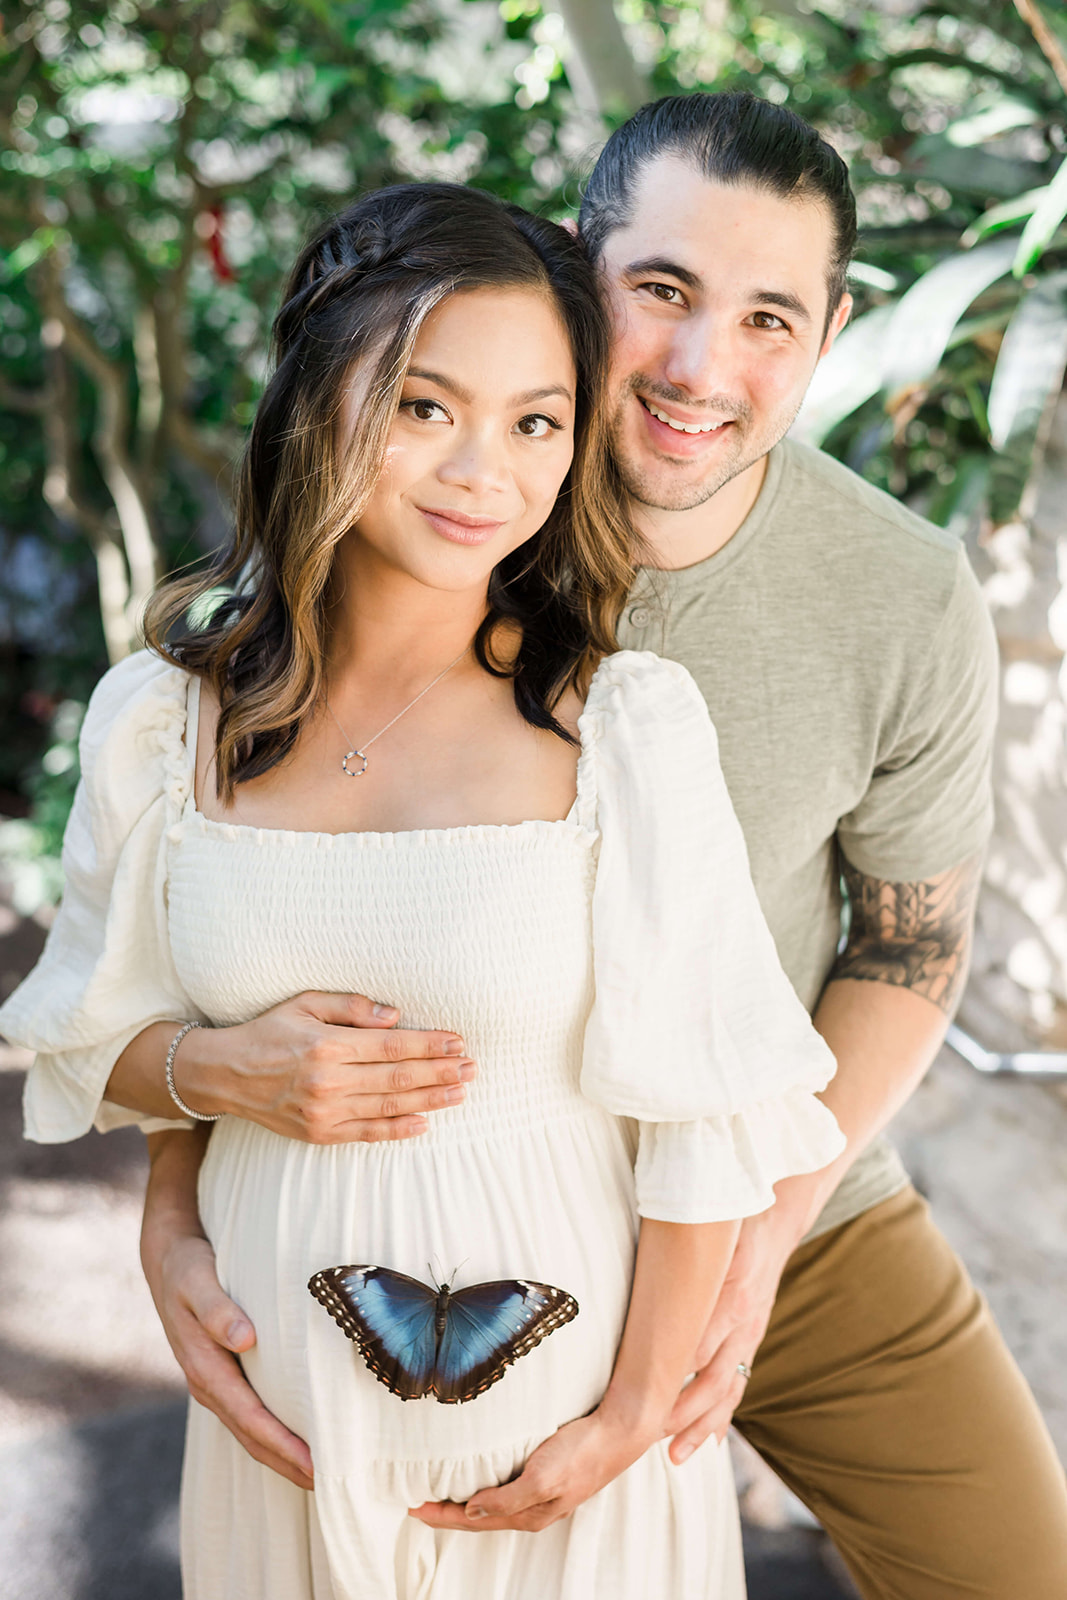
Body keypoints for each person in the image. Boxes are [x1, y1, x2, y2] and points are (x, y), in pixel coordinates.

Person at [121, 91, 1067, 1597]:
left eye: (769, 318)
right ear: (579, 271)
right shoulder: (439, 522)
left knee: (1014, 1571)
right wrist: (177, 1206)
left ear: (827, 337)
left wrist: (757, 1242)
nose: (702, 368)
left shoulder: (902, 592)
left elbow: (907, 946)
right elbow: (226, 899)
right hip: (444, 1204)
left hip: (775, 1193)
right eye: (664, 293)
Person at [0, 181, 847, 1597]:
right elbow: (103, 1038)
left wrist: (634, 1414)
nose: (484, 472)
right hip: (283, 1435)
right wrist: (207, 1097)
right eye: (424, 406)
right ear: (319, 399)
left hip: (569, 1460)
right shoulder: (163, 721)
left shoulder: (621, 728)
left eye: (536, 421)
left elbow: (700, 1122)